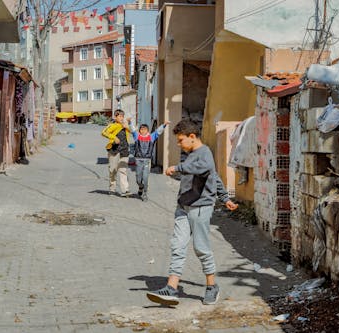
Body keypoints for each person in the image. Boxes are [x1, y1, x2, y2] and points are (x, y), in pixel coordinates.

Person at [146, 119, 238, 306]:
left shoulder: (204, 154)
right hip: (183, 207)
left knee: (201, 248)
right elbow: (214, 177)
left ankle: (212, 286)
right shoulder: (192, 153)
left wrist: (178, 168)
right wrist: (225, 198)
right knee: (177, 246)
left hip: (201, 207)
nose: (179, 144)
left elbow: (204, 169)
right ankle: (171, 289)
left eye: (180, 140)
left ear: (192, 137)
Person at [130, 121, 170, 201]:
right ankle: (140, 187)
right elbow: (133, 130)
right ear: (140, 131)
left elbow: (158, 131)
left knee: (145, 177)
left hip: (147, 160)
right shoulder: (137, 137)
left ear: (147, 130)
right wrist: (130, 122)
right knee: (138, 179)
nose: (143, 131)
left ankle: (145, 193)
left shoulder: (151, 137)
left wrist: (164, 125)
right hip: (138, 160)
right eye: (141, 129)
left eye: (145, 129)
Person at [101, 110, 132, 197]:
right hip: (114, 150)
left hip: (124, 150)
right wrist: (114, 137)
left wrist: (128, 124)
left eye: (122, 116)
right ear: (115, 117)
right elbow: (103, 132)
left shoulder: (126, 126)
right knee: (113, 170)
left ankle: (125, 190)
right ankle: (112, 189)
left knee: (123, 170)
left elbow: (133, 131)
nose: (121, 118)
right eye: (119, 116)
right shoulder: (112, 125)